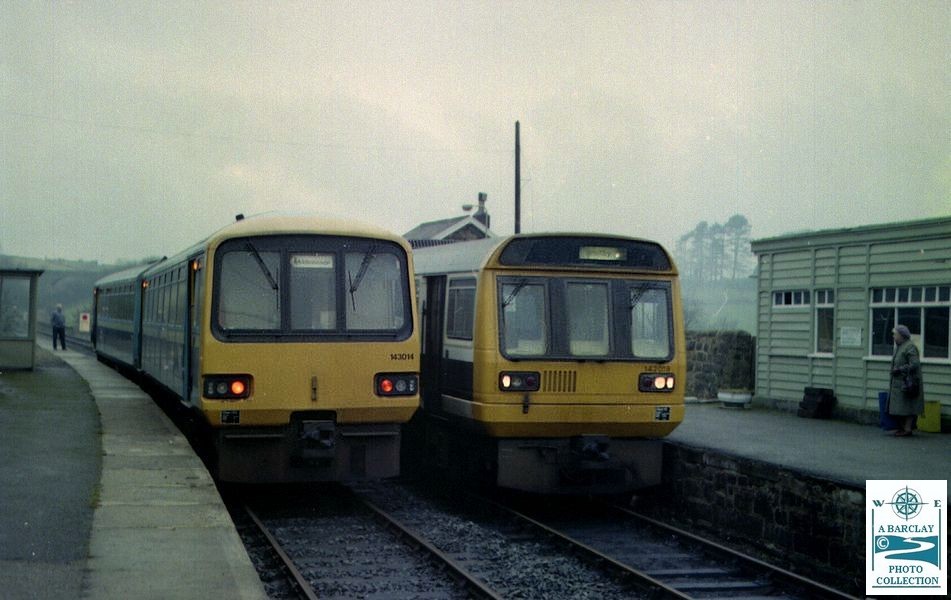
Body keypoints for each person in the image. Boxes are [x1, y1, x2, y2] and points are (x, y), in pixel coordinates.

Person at [888, 324, 923, 437]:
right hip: (899, 382)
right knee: (901, 406)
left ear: (902, 335)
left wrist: (900, 369)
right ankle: (903, 428)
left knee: (908, 406)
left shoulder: (909, 347)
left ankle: (907, 429)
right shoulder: (900, 346)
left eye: (895, 334)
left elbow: (914, 364)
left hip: (907, 383)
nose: (893, 336)